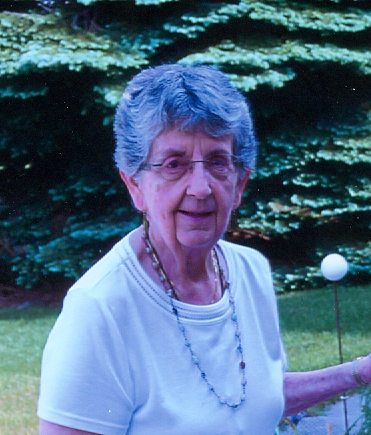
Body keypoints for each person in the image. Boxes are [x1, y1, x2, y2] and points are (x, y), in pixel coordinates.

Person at [37, 64, 371, 435]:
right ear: (135, 185)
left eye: (217, 162)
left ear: (239, 183)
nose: (200, 187)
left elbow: (254, 401)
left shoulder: (250, 271)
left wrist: (361, 371)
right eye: (174, 164)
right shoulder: (100, 308)